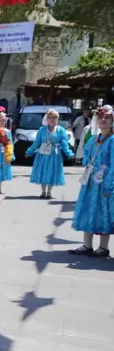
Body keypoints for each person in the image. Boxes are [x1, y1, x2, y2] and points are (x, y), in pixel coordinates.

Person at [70, 106, 114, 258]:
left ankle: (103, 247)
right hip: (91, 182)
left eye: (107, 117)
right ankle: (87, 244)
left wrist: (109, 182)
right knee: (88, 209)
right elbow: (87, 158)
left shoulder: (113, 140)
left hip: (104, 183)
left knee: (103, 212)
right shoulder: (93, 140)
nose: (103, 120)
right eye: (100, 117)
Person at [25, 109, 74, 199]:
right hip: (43, 154)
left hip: (54, 155)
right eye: (50, 117)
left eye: (55, 117)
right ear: (47, 118)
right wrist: (29, 151)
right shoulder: (42, 129)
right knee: (43, 170)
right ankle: (43, 192)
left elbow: (64, 143)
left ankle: (49, 192)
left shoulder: (61, 130)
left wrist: (69, 153)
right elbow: (37, 142)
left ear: (58, 119)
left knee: (52, 171)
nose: (52, 119)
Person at [0, 112, 15, 193]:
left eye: (3, 120)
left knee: (2, 170)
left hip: (3, 153)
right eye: (0, 120)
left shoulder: (7, 132)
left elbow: (10, 144)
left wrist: (10, 155)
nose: (2, 122)